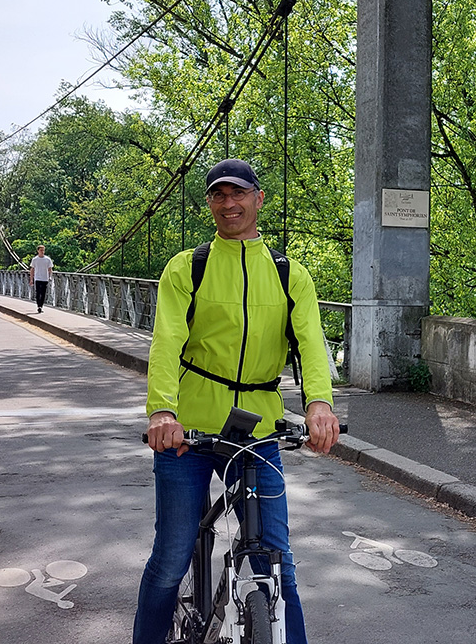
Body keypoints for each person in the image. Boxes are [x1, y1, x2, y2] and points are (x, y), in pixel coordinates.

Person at [134, 159, 340, 644]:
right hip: (188, 433)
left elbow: (311, 345)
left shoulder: (290, 275)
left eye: (239, 193)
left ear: (258, 199)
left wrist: (319, 404)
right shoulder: (188, 267)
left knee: (277, 564)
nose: (229, 203)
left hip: (258, 433)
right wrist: (162, 411)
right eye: (218, 195)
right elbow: (166, 342)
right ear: (209, 203)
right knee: (172, 558)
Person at [28, 245, 53, 313]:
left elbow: (50, 269)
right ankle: (39, 306)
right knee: (38, 292)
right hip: (37, 278)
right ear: (38, 251)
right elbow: (32, 269)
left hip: (45, 278)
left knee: (43, 293)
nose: (42, 251)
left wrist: (50, 276)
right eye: (41, 250)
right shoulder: (35, 259)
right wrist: (31, 279)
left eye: (43, 250)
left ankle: (41, 306)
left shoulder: (48, 259)